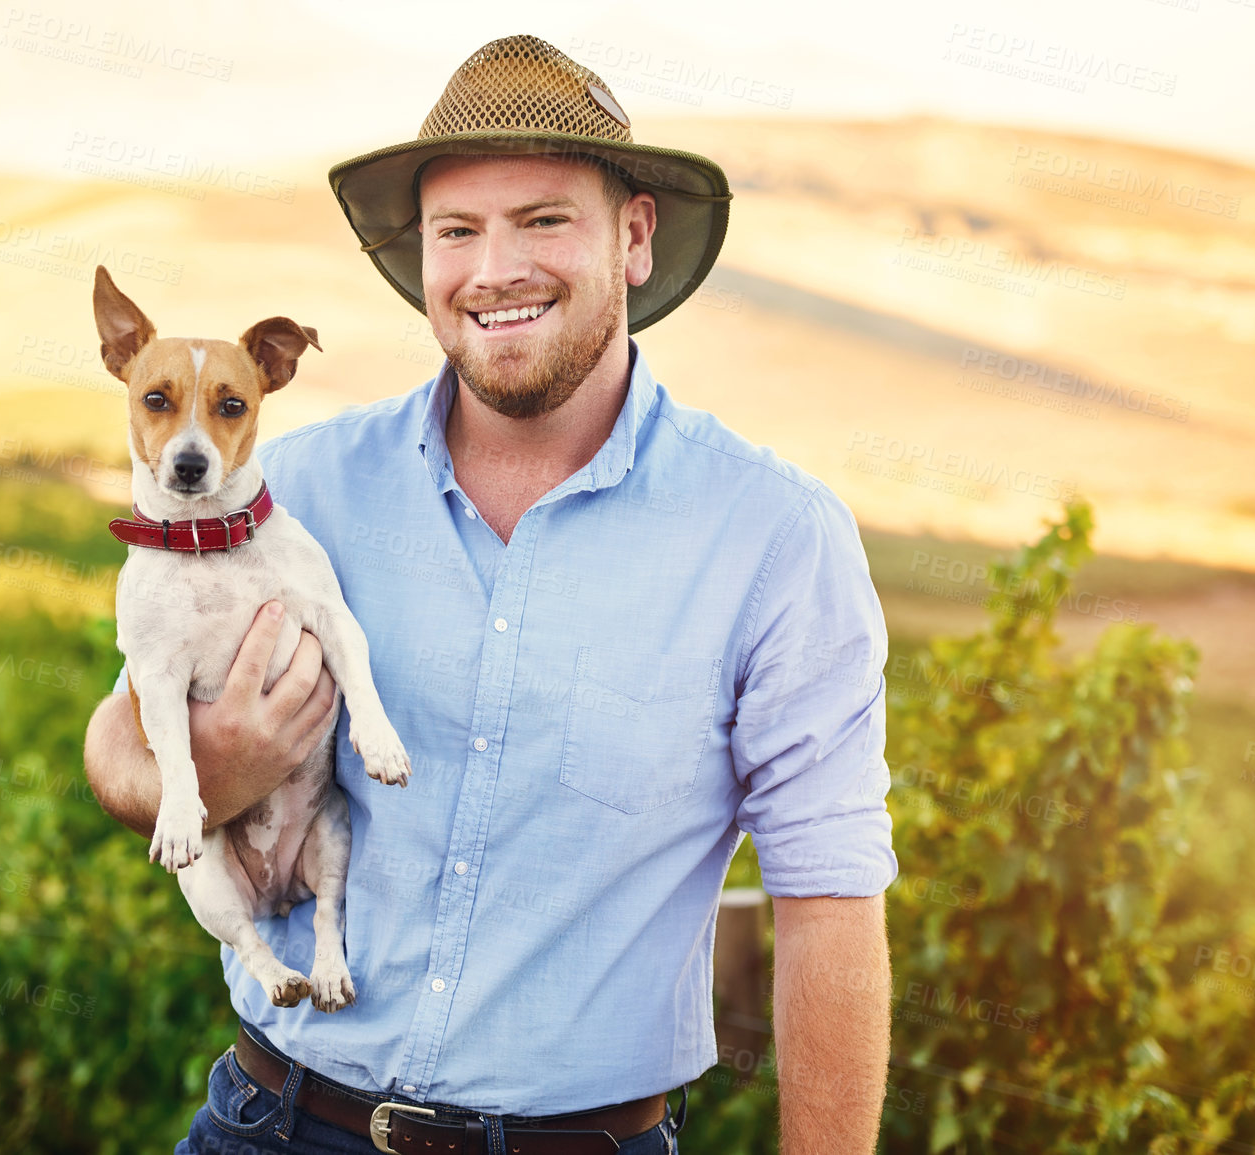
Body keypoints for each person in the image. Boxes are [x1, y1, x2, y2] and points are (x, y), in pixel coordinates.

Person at [85, 34, 896, 1155]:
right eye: (457, 231)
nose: (494, 269)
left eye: (544, 220)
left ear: (636, 237)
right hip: (269, 1121)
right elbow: (117, 738)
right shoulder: (291, 493)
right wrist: (204, 768)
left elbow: (831, 907)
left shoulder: (774, 542)